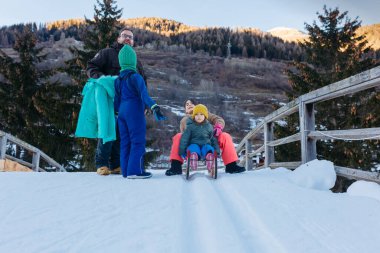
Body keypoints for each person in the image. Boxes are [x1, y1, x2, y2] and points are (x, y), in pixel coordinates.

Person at [86, 27, 147, 175]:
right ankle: (101, 164)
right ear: (118, 38)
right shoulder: (107, 53)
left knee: (122, 132)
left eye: (130, 37)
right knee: (108, 128)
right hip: (108, 98)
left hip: (128, 102)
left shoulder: (136, 61)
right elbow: (91, 67)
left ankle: (116, 165)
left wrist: (144, 104)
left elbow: (143, 83)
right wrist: (102, 79)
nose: (127, 38)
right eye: (125, 36)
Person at [115, 44, 166, 179]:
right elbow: (144, 96)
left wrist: (118, 113)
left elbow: (116, 101)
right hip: (134, 111)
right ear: (133, 61)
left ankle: (125, 171)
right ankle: (135, 171)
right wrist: (154, 107)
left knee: (125, 142)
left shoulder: (118, 80)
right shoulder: (136, 77)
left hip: (121, 113)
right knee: (137, 141)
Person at [165, 99, 245, 176]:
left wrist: (218, 127)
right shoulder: (184, 120)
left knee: (225, 136)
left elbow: (218, 119)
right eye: (187, 104)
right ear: (185, 109)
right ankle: (175, 167)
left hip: (209, 141)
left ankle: (231, 166)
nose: (189, 105)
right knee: (178, 136)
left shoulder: (206, 114)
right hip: (193, 144)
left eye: (191, 103)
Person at [179, 104, 220, 171]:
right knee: (193, 148)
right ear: (194, 116)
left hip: (205, 144)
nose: (199, 116)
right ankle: (193, 159)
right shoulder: (190, 127)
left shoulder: (209, 126)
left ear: (205, 116)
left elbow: (213, 139)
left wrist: (217, 150)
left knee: (208, 148)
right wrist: (182, 151)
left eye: (201, 114)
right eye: (197, 114)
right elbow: (184, 139)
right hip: (194, 144)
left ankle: (209, 158)